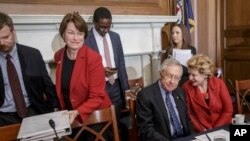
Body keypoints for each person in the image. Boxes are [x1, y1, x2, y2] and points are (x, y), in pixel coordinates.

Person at [0, 12, 59, 126]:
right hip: (3, 117)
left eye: (5, 37)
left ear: (13, 32)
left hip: (32, 111)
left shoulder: (33, 54)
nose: (1, 43)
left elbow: (47, 84)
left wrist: (55, 107)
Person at [136, 58, 191, 141]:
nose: (172, 81)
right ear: (160, 74)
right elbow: (146, 130)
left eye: (176, 78)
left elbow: (187, 121)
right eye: (169, 76)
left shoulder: (180, 92)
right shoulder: (145, 95)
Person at [183, 54, 233, 132]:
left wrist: (216, 129)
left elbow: (228, 110)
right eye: (189, 74)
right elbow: (188, 114)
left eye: (194, 75)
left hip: (221, 126)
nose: (190, 78)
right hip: (200, 130)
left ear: (205, 75)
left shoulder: (219, 83)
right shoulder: (186, 87)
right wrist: (202, 129)